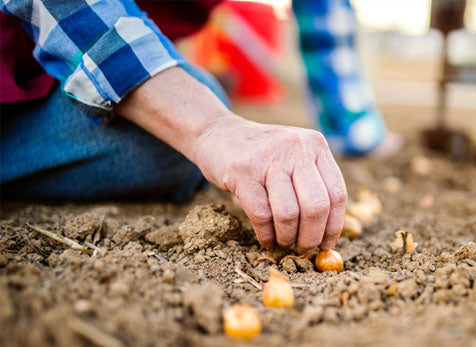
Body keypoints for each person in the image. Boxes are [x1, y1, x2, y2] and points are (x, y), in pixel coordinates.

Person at [0, 0, 393, 254]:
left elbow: (326, 19)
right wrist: (210, 128)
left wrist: (354, 129)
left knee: (183, 115)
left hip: (54, 70)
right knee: (182, 129)